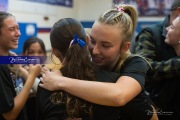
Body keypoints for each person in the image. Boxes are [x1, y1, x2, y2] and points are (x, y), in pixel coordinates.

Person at [40, 4, 158, 120]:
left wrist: (60, 81)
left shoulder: (135, 63)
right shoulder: (88, 64)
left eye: (105, 46)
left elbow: (119, 96)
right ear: (87, 39)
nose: (95, 51)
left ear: (124, 47)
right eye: (92, 41)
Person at [134, 0, 180, 119]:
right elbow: (143, 70)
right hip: (157, 109)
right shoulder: (150, 34)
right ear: (179, 11)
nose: (169, 29)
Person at [0, 11, 41, 120]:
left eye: (17, 28)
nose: (18, 33)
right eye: (11, 29)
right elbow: (9, 115)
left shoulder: (9, 60)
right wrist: (31, 77)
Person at [22, 36, 47, 120]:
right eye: (31, 52)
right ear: (24, 54)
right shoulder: (19, 74)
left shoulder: (49, 74)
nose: (36, 56)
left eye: (40, 52)